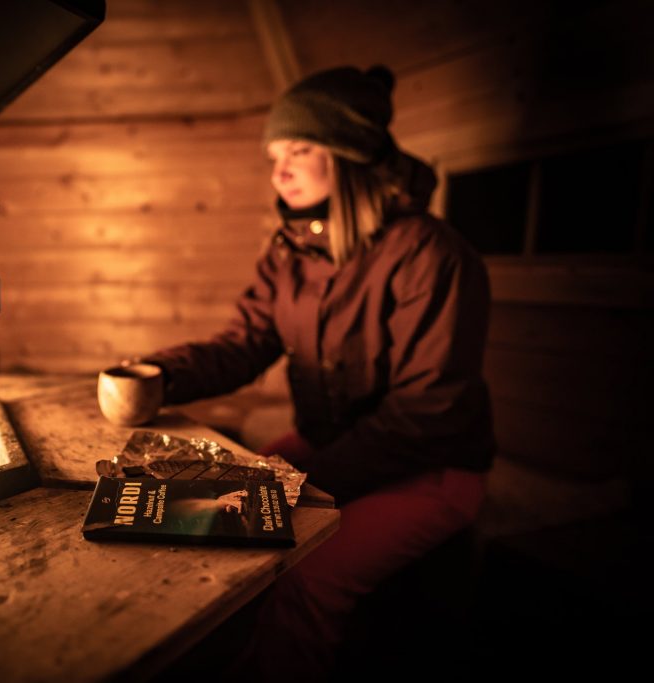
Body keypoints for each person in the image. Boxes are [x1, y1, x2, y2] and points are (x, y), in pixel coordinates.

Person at [139, 65, 495, 679]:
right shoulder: (291, 250)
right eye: (275, 153)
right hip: (332, 443)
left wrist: (294, 481)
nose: (279, 170)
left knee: (306, 574)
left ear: (350, 154)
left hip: (433, 468)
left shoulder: (430, 255)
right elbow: (246, 342)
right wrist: (156, 373)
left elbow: (424, 414)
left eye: (299, 148)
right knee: (211, 511)